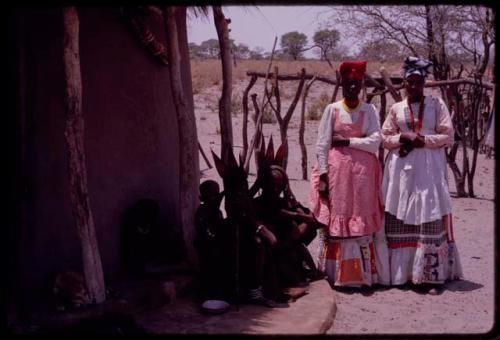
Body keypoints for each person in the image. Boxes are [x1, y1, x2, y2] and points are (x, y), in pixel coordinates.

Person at [380, 56, 463, 295]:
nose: (413, 87)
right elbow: (385, 138)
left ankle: (430, 277)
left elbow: (448, 136)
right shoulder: (397, 109)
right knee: (400, 214)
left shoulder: (437, 106)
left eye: (418, 82)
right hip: (402, 170)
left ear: (424, 83)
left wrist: (424, 140)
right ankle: (403, 275)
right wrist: (403, 138)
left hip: (428, 167)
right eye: (409, 83)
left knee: (429, 212)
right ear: (404, 84)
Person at [310, 61, 390, 289]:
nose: (352, 87)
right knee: (340, 214)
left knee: (362, 217)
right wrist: (323, 174)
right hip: (339, 176)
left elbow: (375, 141)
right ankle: (337, 274)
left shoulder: (369, 110)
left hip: (364, 176)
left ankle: (363, 275)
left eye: (356, 83)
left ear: (362, 84)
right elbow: (323, 143)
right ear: (341, 84)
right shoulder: (332, 109)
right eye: (348, 83)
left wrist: (348, 141)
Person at [254, 165, 324, 293]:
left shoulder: (283, 202)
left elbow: (312, 219)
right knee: (299, 229)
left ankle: (305, 267)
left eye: (279, 186)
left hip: (289, 243)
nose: (275, 189)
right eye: (272, 185)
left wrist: (292, 199)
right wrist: (300, 218)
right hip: (274, 248)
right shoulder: (259, 203)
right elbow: (292, 216)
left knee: (306, 228)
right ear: (263, 185)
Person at [194, 180, 231, 301]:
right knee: (210, 269)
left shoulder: (217, 212)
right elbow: (206, 232)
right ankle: (209, 292)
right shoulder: (202, 212)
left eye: (218, 194)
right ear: (202, 197)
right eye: (212, 195)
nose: (216, 198)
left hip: (217, 245)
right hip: (207, 247)